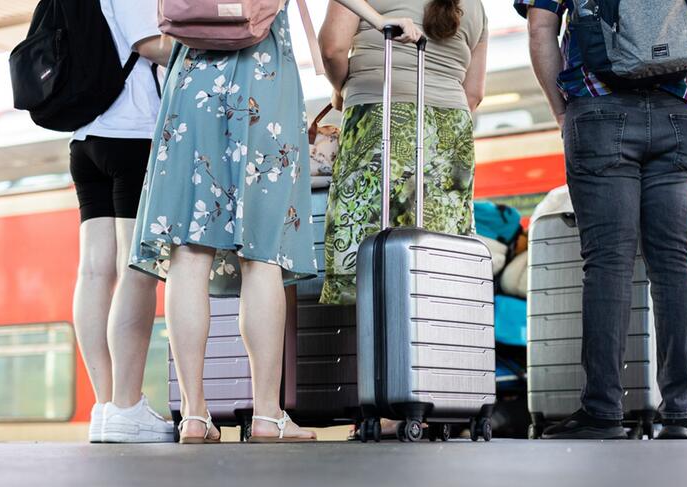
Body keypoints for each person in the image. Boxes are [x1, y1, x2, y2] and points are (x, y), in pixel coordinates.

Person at [130, 0, 423, 443]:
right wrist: (379, 19)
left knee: (188, 253)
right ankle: (267, 415)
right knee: (263, 252)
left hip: (192, 82)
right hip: (262, 78)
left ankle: (193, 413)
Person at [519, 0, 687, 440]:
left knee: (607, 265)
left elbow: (541, 27)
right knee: (674, 265)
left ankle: (602, 411)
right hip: (682, 112)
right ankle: (681, 415)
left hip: (598, 109)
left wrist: (564, 112)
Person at [317, 0, 489, 305]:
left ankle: (367, 343)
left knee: (364, 246)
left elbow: (332, 48)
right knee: (439, 253)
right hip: (450, 131)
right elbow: (474, 92)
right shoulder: (475, 6)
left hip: (378, 113)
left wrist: (342, 88)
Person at [71, 0, 176, 443]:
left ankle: (106, 406)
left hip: (85, 137)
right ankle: (127, 406)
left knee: (94, 271)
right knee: (139, 269)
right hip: (132, 134)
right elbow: (150, 44)